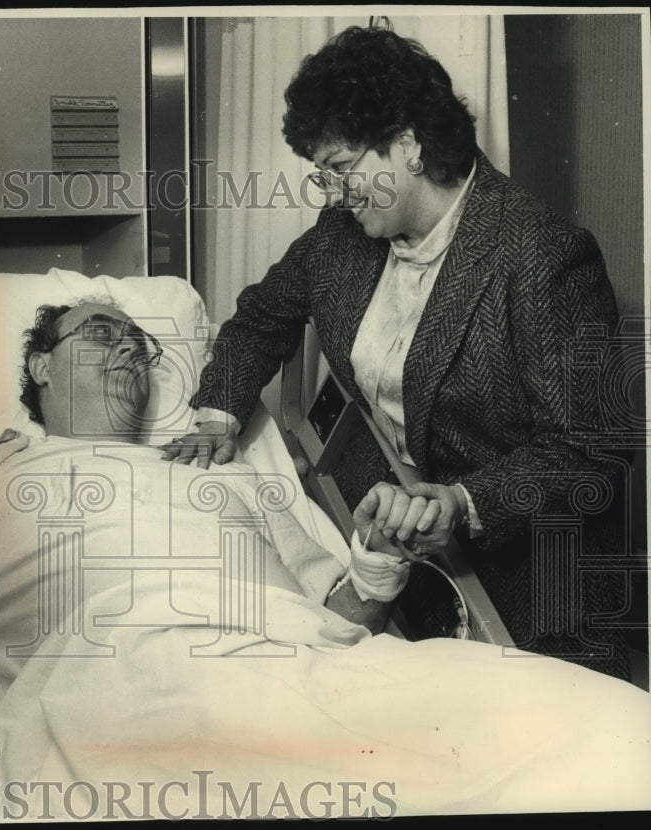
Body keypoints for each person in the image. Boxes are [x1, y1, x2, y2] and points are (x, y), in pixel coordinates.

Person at [161, 25, 633, 680]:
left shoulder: (540, 255)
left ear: (408, 145)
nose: (331, 192)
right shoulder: (342, 237)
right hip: (391, 532)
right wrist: (217, 413)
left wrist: (464, 503)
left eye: (342, 168)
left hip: (530, 576)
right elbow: (262, 316)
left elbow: (591, 452)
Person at [0, 300, 411, 820]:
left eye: (140, 341)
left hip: (295, 707)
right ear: (42, 367)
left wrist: (377, 561)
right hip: (102, 725)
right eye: (100, 332)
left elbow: (339, 630)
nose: (129, 347)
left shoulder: (223, 474)